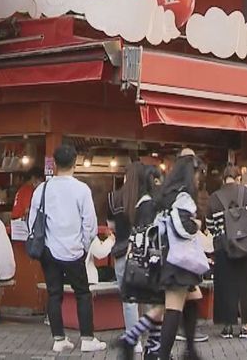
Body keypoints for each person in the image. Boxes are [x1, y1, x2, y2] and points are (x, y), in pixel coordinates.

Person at [31, 143, 107, 353]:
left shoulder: (42, 189)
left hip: (48, 249)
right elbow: (90, 223)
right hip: (74, 250)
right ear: (75, 163)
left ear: (54, 163)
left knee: (54, 294)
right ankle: (87, 338)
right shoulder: (81, 189)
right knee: (82, 293)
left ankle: (58, 338)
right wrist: (83, 245)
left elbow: (33, 221)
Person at [154, 154, 207, 360]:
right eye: (197, 174)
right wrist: (197, 225)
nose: (198, 179)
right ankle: (164, 355)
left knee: (193, 297)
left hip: (170, 257)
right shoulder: (183, 196)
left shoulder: (166, 194)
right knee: (174, 308)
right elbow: (183, 226)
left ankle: (190, 350)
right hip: (179, 260)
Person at [114, 165, 165, 360]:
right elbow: (150, 234)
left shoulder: (127, 200)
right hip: (150, 259)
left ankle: (141, 342)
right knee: (158, 304)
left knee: (147, 303)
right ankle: (141, 341)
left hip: (133, 256)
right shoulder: (148, 204)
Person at [206, 164, 247, 339]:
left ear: (223, 179)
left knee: (225, 285)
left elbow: (210, 225)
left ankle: (228, 326)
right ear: (239, 178)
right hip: (246, 245)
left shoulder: (214, 198)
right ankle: (246, 326)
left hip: (223, 247)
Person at [109, 163, 149, 336]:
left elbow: (111, 225)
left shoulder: (113, 197)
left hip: (122, 253)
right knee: (150, 298)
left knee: (129, 301)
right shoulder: (149, 200)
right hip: (145, 254)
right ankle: (153, 337)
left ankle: (134, 340)